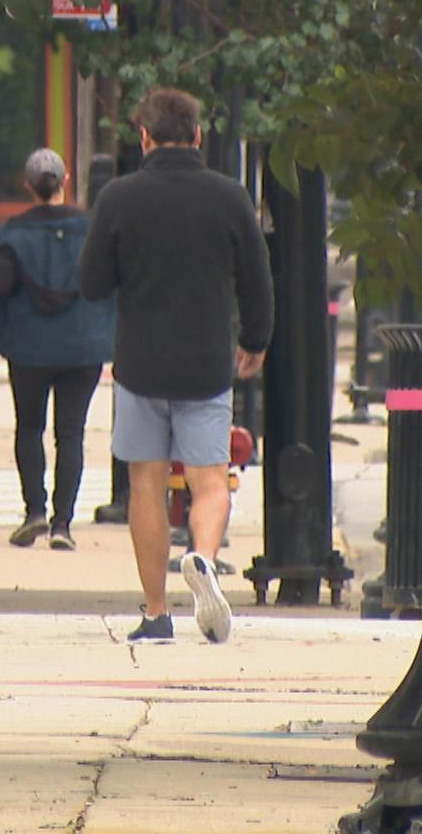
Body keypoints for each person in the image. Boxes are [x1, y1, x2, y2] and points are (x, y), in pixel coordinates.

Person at [79, 88, 273, 645]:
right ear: (197, 136)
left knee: (146, 484)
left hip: (140, 363)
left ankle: (157, 611)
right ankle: (204, 560)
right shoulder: (229, 198)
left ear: (144, 137)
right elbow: (258, 279)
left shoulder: (119, 197)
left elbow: (91, 283)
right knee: (210, 481)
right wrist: (255, 340)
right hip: (208, 360)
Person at [0, 149, 115, 552]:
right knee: (70, 431)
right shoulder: (92, 230)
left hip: (29, 345)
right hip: (82, 343)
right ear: (66, 179)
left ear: (28, 185)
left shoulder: (9, 234)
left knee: (29, 427)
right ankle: (63, 522)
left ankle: (34, 510)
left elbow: (1, 285)